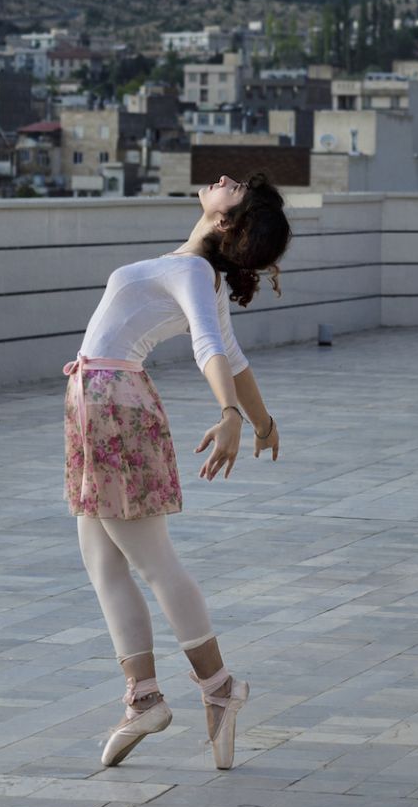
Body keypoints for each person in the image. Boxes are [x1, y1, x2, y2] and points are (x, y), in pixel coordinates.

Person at [66, 172, 291, 770]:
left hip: (112, 402)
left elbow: (211, 351)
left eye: (235, 189)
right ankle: (144, 698)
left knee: (151, 560)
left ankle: (218, 689)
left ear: (225, 220)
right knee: (102, 559)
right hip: (103, 401)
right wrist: (263, 422)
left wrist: (231, 415)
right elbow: (232, 354)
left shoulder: (193, 272)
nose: (224, 179)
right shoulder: (196, 271)